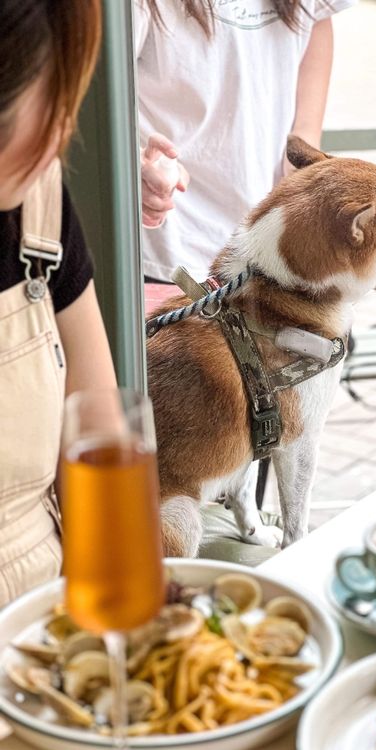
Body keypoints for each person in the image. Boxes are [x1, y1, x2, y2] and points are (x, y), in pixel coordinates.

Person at [0, 0, 117, 605]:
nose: (66, 129)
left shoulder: (39, 205)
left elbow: (98, 426)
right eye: (58, 98)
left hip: (47, 610)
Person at [134, 0, 357, 283]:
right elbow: (86, 99)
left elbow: (316, 22)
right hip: (175, 240)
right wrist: (136, 164)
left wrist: (302, 160)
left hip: (268, 242)